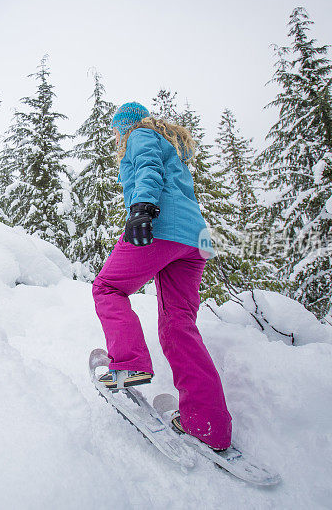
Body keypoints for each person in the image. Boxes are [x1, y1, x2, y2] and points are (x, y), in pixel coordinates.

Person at [92, 101, 232, 451]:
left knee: (107, 287)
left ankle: (128, 364)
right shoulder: (174, 149)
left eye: (116, 131)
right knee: (178, 325)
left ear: (125, 126)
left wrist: (142, 208)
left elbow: (148, 169)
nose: (117, 138)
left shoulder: (141, 134)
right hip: (194, 241)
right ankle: (208, 426)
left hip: (160, 228)